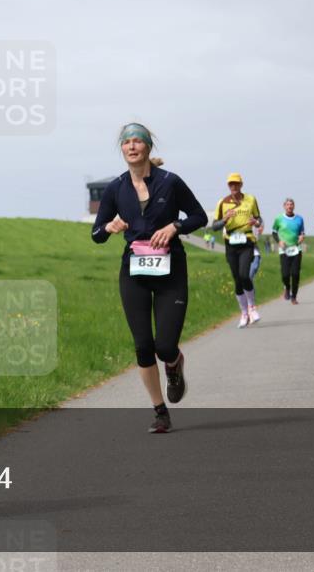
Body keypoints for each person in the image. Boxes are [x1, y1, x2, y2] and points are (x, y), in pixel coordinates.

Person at [92, 123, 207, 434]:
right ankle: (160, 412)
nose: (132, 147)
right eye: (126, 142)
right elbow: (97, 233)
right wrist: (110, 228)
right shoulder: (116, 188)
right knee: (143, 346)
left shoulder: (170, 183)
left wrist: (175, 227)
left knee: (164, 346)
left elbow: (199, 216)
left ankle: (174, 363)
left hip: (171, 270)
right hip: (134, 272)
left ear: (147, 148)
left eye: (137, 142)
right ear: (122, 149)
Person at [211, 173, 263, 328]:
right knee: (237, 279)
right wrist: (225, 220)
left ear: (241, 185)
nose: (233, 187)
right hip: (231, 244)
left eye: (236, 184)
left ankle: (252, 307)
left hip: (247, 241)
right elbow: (214, 226)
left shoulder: (251, 199)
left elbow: (259, 219)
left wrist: (256, 222)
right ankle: (244, 313)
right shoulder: (223, 202)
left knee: (244, 274)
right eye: (230, 184)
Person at [271, 198, 305, 304]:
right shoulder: (279, 218)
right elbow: (274, 232)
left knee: (295, 274)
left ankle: (294, 297)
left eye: (291, 204)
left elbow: (302, 232)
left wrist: (301, 237)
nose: (289, 206)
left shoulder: (299, 219)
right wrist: (279, 242)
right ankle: (287, 287)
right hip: (284, 250)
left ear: (294, 206)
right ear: (284, 206)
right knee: (285, 274)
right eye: (287, 205)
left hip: (296, 249)